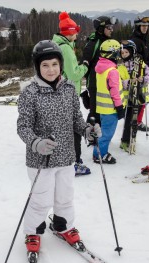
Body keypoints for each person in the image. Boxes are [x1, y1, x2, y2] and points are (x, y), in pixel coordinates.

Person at [16, 40, 101, 252]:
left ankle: (64, 225)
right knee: (41, 199)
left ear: (60, 65)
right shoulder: (30, 93)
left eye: (54, 64)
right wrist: (36, 143)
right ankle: (33, 231)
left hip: (66, 156)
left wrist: (87, 131)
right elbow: (23, 127)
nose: (50, 69)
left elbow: (76, 120)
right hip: (40, 160)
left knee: (65, 196)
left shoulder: (69, 89)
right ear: (37, 67)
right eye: (45, 65)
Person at [52, 11, 90, 176]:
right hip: (68, 94)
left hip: (60, 92)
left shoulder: (58, 44)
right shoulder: (66, 49)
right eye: (75, 31)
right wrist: (85, 66)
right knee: (74, 129)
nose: (77, 34)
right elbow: (74, 74)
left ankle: (60, 159)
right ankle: (74, 162)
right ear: (70, 32)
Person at [92, 39, 125, 164]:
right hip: (111, 109)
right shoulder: (112, 71)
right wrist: (119, 107)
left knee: (104, 132)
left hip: (102, 108)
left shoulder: (101, 68)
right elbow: (114, 91)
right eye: (118, 52)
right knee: (107, 134)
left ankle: (99, 152)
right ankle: (99, 154)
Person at [81, 16, 116, 126]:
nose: (112, 30)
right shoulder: (94, 43)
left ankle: (100, 136)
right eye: (109, 27)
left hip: (105, 83)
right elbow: (84, 63)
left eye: (112, 27)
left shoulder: (108, 42)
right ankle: (91, 137)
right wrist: (91, 78)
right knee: (95, 111)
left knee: (102, 110)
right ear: (101, 29)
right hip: (95, 83)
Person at [118, 40, 149, 153]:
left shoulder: (141, 64)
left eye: (126, 52)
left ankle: (132, 138)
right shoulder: (121, 67)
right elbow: (119, 82)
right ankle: (125, 140)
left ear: (132, 52)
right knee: (128, 121)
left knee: (135, 120)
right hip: (128, 100)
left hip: (140, 97)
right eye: (122, 53)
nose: (124, 55)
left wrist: (143, 80)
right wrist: (128, 82)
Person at [130, 16, 149, 132]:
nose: (145, 28)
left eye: (146, 26)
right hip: (138, 72)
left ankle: (136, 120)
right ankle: (137, 121)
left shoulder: (146, 39)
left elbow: (148, 54)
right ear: (138, 27)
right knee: (139, 99)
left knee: (142, 99)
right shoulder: (135, 40)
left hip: (146, 71)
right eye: (143, 26)